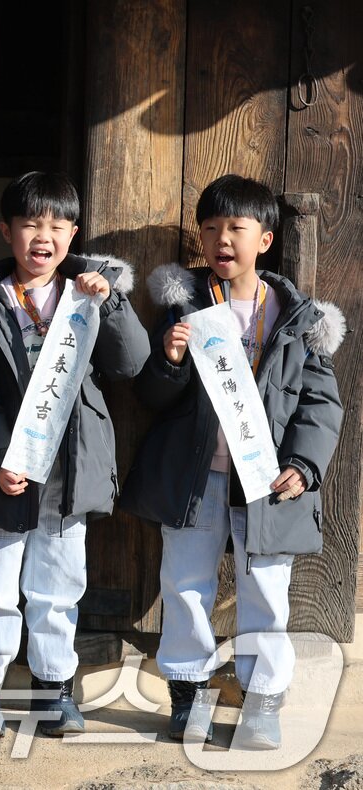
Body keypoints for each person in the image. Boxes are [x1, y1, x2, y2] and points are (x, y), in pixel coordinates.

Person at [0, 171, 149, 739]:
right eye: (30, 224)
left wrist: (113, 304)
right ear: (7, 231)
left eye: (56, 225)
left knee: (59, 584)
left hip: (68, 472)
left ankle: (55, 692)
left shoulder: (88, 293)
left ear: (73, 234)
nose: (42, 238)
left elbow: (131, 363)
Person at [122, 174, 344, 749]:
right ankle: (189, 693)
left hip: (267, 480)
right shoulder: (184, 302)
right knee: (186, 582)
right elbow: (152, 396)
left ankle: (263, 701)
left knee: (266, 590)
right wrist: (168, 361)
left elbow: (321, 403)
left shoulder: (297, 319)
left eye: (236, 229)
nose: (223, 240)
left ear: (264, 240)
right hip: (194, 476)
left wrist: (305, 464)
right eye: (211, 228)